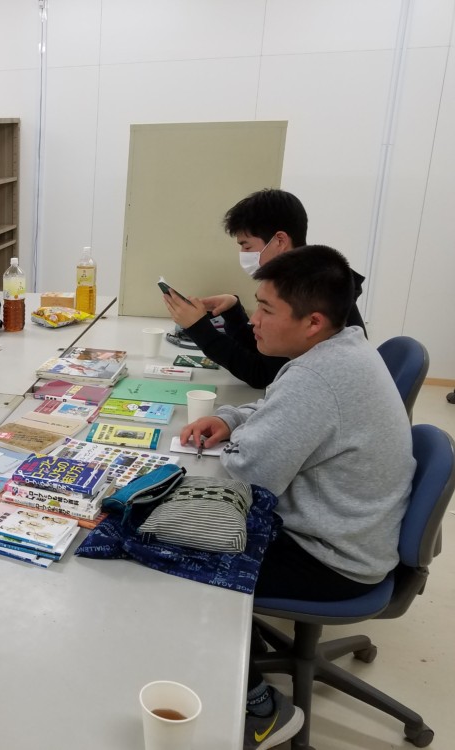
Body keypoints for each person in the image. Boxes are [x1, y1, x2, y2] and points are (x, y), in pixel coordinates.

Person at [179, 245, 415, 750]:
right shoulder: (342, 347)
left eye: (266, 309)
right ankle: (242, 651)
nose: (254, 321)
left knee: (180, 558)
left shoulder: (316, 377)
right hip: (353, 532)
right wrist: (231, 418)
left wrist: (232, 444)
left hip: (332, 559)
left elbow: (251, 475)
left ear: (312, 322)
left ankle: (261, 709)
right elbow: (276, 409)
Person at [163, 189, 366, 388]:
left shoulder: (305, 290)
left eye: (247, 246)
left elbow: (262, 374)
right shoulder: (302, 276)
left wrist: (199, 328)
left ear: (280, 241)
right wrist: (233, 312)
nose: (243, 254)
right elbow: (264, 349)